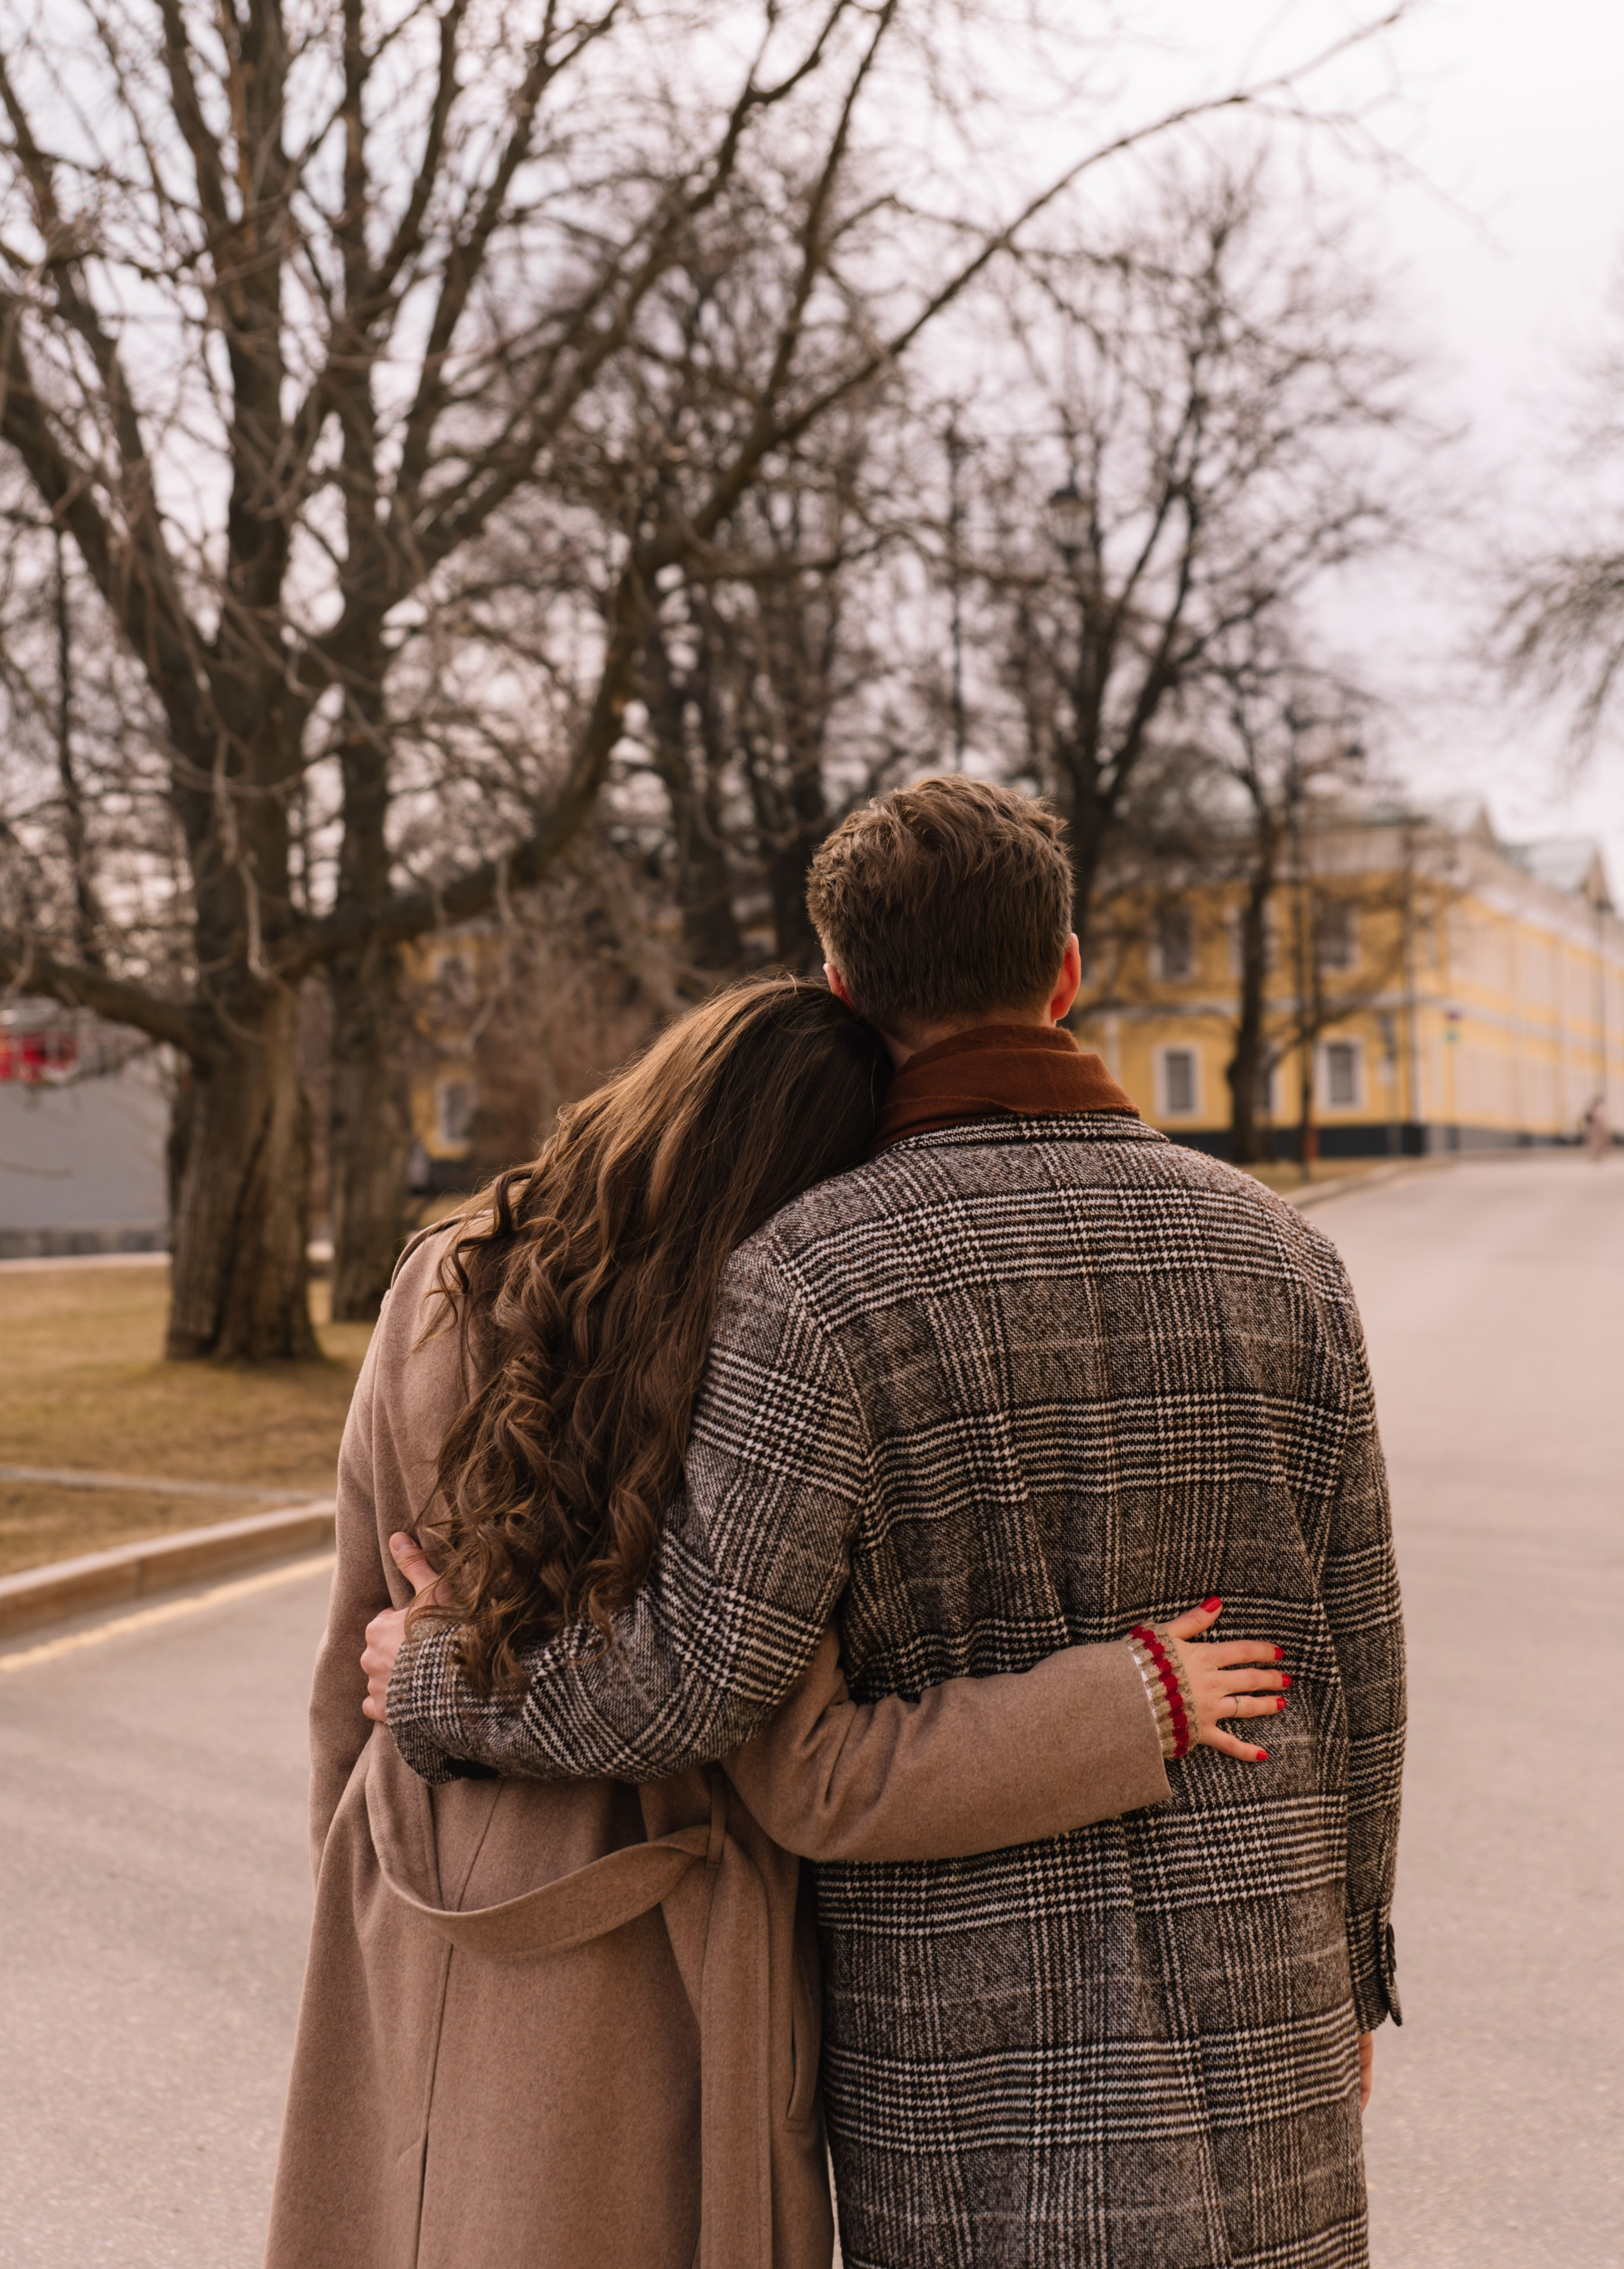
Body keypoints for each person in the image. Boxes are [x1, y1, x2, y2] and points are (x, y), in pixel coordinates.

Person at [377, 777, 1406, 2269]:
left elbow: (694, 1676)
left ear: (841, 989)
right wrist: (1353, 1972)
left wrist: (434, 1678)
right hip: (1270, 2014)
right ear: (1063, 970)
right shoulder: (1290, 1259)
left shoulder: (809, 1281)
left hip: (967, 2066)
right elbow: (1358, 1678)